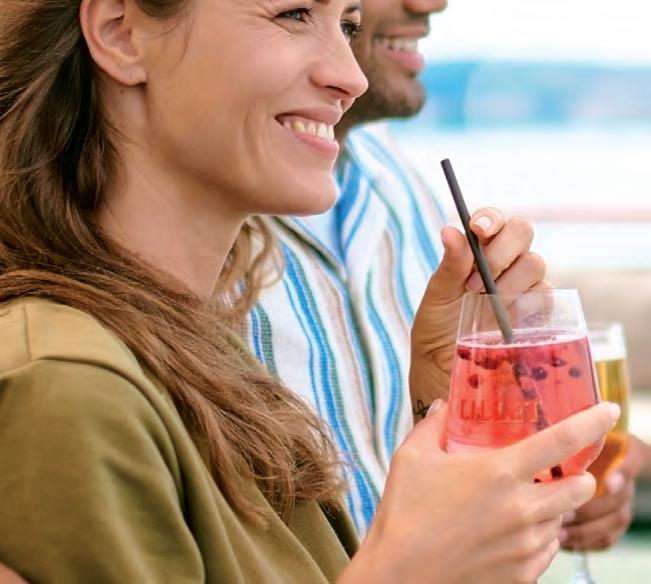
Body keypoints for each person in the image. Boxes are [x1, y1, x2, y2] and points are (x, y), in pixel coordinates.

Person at [0, 0, 619, 582]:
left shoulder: (197, 349)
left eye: (348, 25)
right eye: (294, 12)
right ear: (120, 32)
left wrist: (445, 414)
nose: (351, 77)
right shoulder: (67, 384)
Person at [244, 0, 651, 546]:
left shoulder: (393, 177)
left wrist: (540, 485)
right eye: (296, 13)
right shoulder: (203, 234)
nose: (430, 3)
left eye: (348, 21)